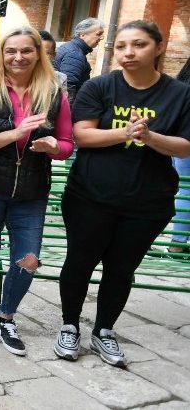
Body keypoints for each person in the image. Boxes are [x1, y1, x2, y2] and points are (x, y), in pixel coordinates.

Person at [54, 20, 190, 367]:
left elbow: (184, 146)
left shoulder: (179, 95)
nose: (129, 52)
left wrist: (150, 137)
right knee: (79, 262)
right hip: (89, 196)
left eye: (139, 44)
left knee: (121, 269)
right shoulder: (100, 86)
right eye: (122, 46)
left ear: (159, 47)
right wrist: (126, 133)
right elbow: (82, 135)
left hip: (147, 202)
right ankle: (69, 325)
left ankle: (104, 330)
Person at [0, 26, 74, 356]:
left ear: (38, 54)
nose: (18, 57)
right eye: (11, 51)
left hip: (32, 190)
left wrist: (54, 147)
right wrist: (15, 133)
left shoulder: (53, 92)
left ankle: (6, 316)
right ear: (1, 54)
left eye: (26, 50)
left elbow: (67, 143)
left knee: (29, 259)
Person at [53, 17, 104, 105]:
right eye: (98, 34)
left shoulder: (72, 48)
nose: (101, 38)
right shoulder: (74, 53)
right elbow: (68, 86)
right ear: (83, 35)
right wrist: (68, 111)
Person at [171, 57, 190, 255]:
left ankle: (177, 242)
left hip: (176, 142)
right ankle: (178, 243)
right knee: (187, 191)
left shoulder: (180, 86)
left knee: (182, 189)